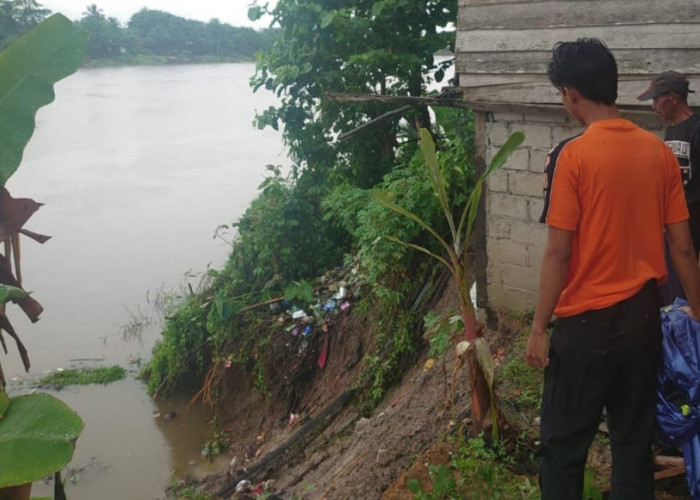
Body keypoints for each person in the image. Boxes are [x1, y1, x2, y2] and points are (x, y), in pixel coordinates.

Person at [525, 38, 700, 499]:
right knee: (631, 443)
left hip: (584, 328)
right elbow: (682, 248)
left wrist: (540, 327)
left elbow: (558, 253)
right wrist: (699, 309)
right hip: (643, 322)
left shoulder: (574, 157)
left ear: (571, 94)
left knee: (564, 449)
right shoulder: (658, 152)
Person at [638, 71, 700, 304]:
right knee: (674, 284)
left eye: (657, 99)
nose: (654, 106)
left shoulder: (696, 129)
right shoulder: (671, 131)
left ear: (673, 98)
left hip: (694, 217)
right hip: (675, 220)